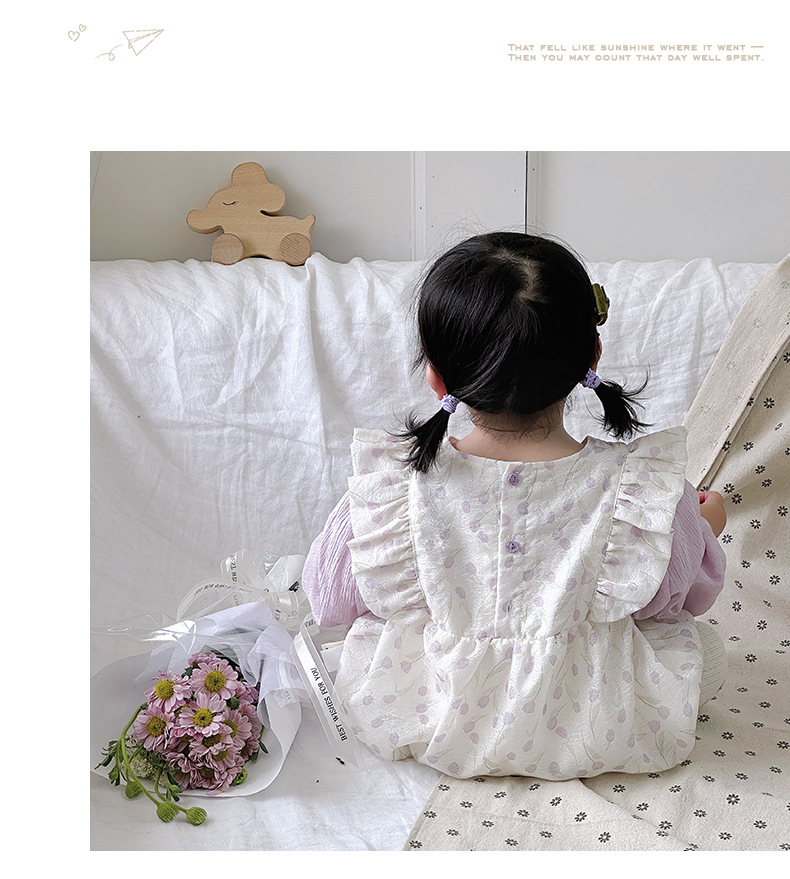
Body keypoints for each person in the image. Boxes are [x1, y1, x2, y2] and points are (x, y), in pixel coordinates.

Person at [301, 232, 727, 780]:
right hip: (597, 719)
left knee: (363, 640)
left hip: (432, 714)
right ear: (591, 357)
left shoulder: (395, 485)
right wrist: (701, 526)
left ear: (436, 376)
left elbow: (329, 599)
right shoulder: (640, 487)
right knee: (703, 652)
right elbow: (676, 602)